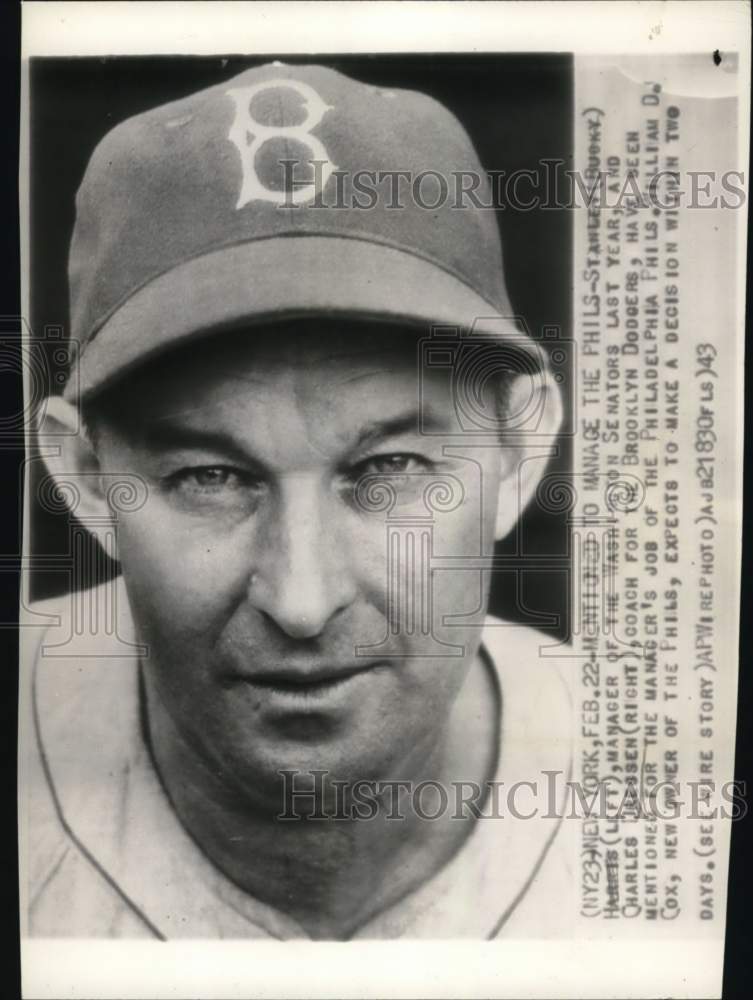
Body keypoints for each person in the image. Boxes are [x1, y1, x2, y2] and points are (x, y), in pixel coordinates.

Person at [21, 61, 573, 940]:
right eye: (209, 477)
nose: (302, 602)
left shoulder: (670, 795)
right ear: (87, 477)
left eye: (390, 468)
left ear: (516, 452)